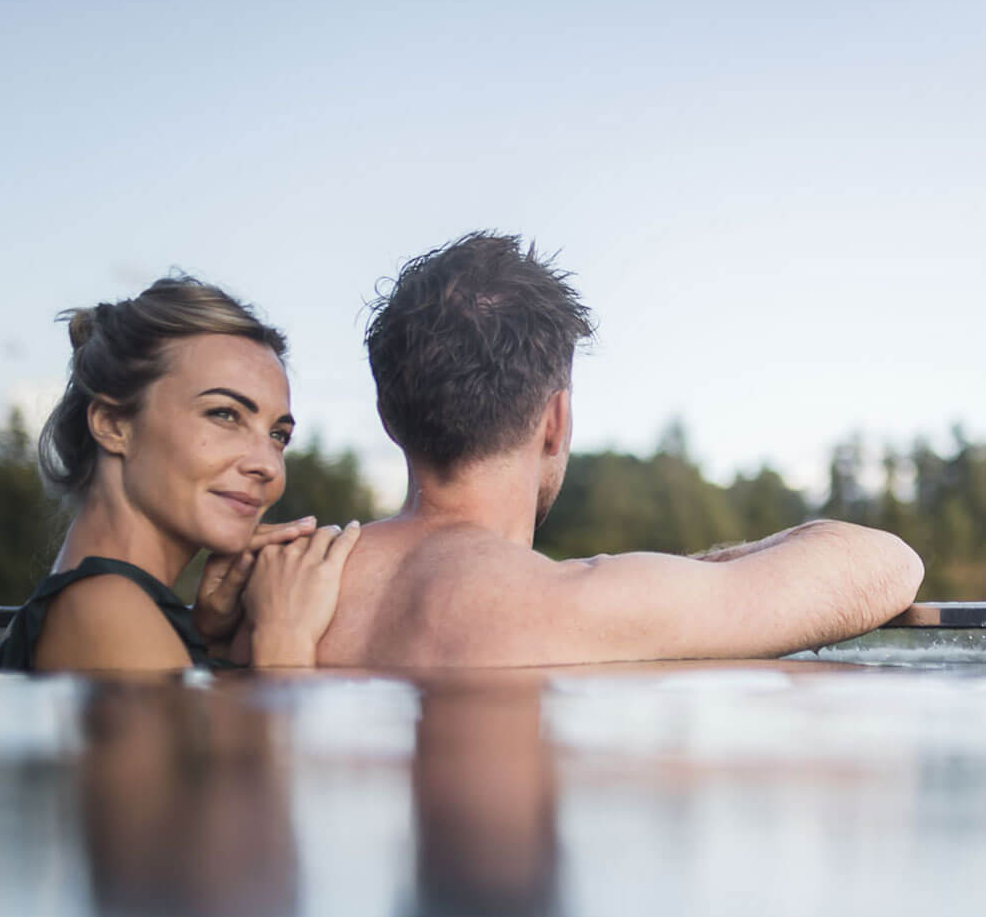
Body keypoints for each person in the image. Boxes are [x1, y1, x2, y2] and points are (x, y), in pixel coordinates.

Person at [317, 233, 923, 669]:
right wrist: (679, 573)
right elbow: (883, 565)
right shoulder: (573, 604)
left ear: (388, 417)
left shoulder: (286, 580)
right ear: (555, 420)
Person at [0, 275, 359, 671]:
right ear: (113, 425)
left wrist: (206, 640)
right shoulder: (106, 608)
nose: (269, 465)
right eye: (224, 414)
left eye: (278, 435)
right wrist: (283, 642)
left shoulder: (102, 605)